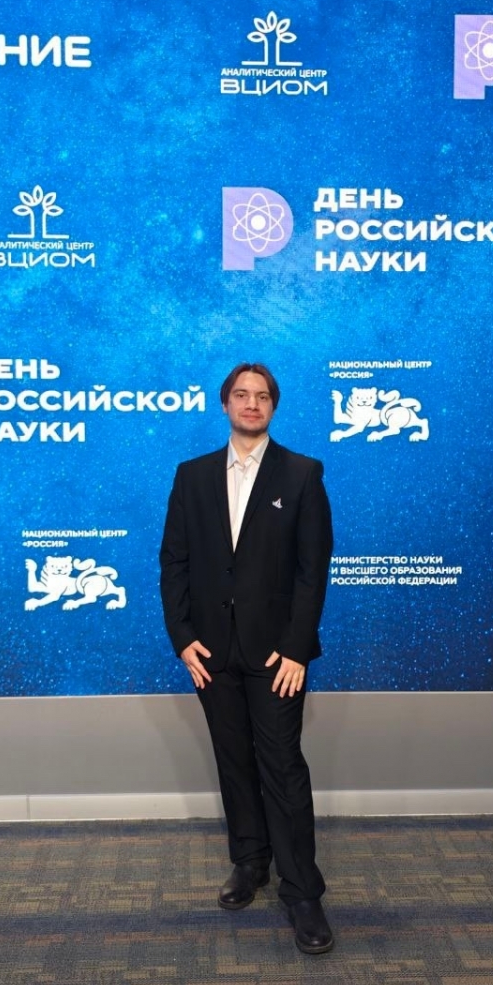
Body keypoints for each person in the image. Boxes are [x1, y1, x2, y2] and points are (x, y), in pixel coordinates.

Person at [159, 363, 334, 954]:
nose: (251, 404)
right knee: (233, 760)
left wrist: (297, 649)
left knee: (282, 766)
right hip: (211, 652)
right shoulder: (192, 476)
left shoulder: (303, 474)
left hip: (277, 655)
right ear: (225, 404)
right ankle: (250, 861)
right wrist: (182, 637)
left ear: (273, 407)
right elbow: (174, 561)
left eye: (262, 396)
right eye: (241, 395)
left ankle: (302, 892)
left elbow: (312, 571)